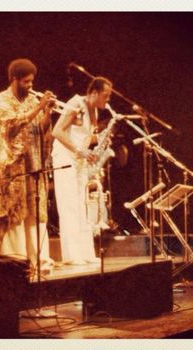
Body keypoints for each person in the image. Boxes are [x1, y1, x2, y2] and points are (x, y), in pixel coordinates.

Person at [0, 58, 55, 270]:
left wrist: (47, 112)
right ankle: (16, 261)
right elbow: (12, 125)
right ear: (14, 79)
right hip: (12, 167)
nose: (30, 85)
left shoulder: (31, 100)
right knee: (15, 215)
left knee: (35, 214)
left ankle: (39, 259)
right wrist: (39, 108)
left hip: (33, 163)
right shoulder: (1, 100)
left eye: (32, 81)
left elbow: (39, 130)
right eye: (26, 81)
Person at [51, 77, 113, 265]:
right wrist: (79, 151)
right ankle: (72, 255)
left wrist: (91, 149)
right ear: (93, 92)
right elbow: (57, 131)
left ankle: (85, 251)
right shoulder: (75, 103)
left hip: (78, 160)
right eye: (105, 95)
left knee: (83, 205)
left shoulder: (93, 109)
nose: (107, 100)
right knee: (69, 206)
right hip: (65, 159)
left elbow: (85, 137)